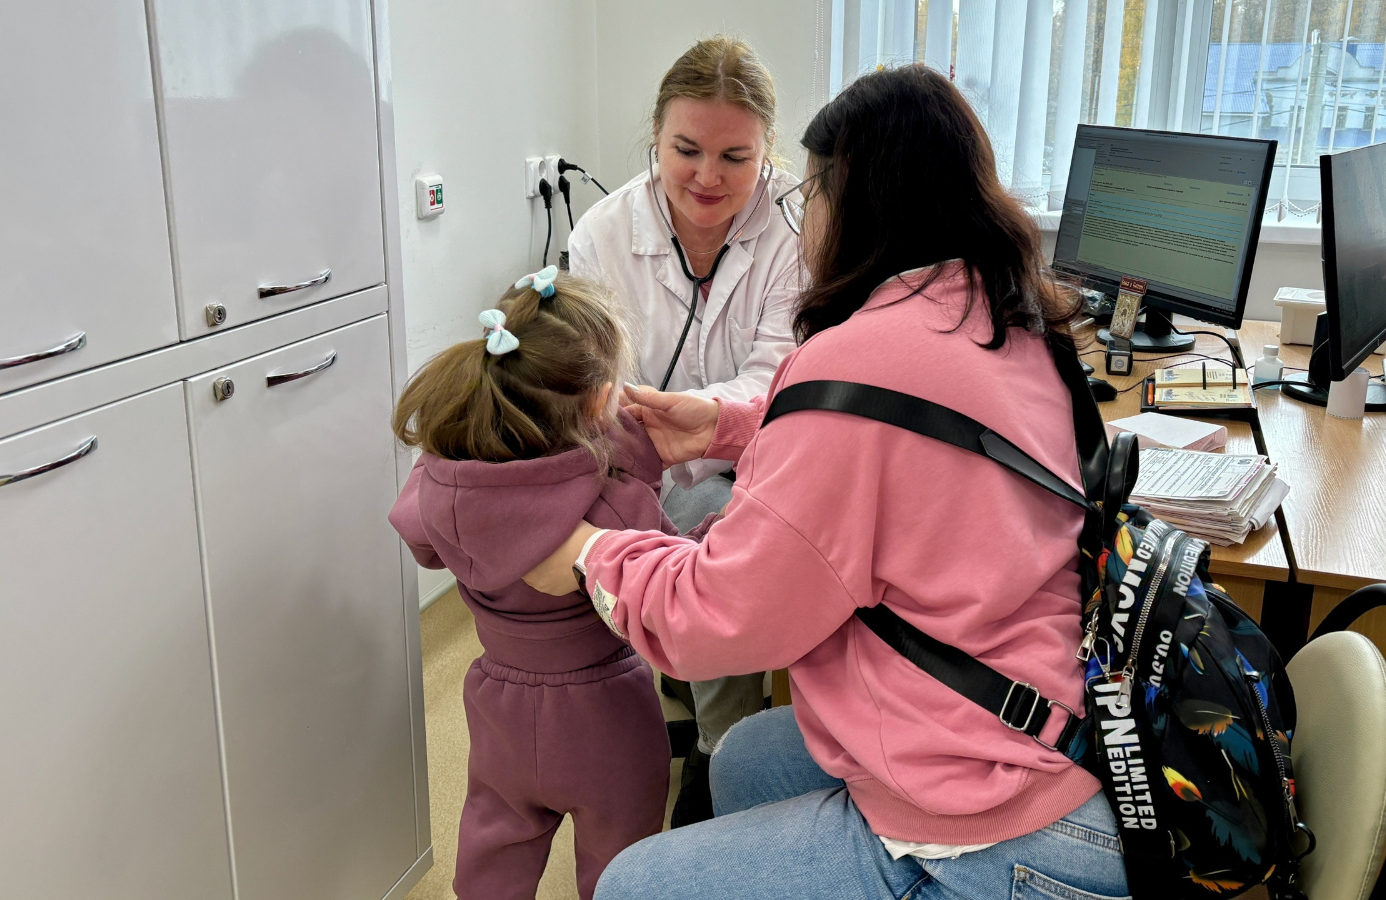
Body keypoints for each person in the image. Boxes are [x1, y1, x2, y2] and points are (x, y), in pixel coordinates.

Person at [524, 66, 1130, 899]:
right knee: (746, 759)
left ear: (852, 203)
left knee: (633, 886)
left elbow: (718, 619)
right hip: (1070, 729)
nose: (799, 216)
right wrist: (726, 424)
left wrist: (593, 553)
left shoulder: (850, 361)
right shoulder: (1009, 316)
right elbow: (904, 433)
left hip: (1004, 821)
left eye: (806, 194)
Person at [567, 35, 802, 824]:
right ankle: (679, 730)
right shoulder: (602, 236)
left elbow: (780, 374)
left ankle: (718, 745)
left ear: (767, 149)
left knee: (720, 531)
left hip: (758, 454)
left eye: (736, 157)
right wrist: (648, 429)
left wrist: (705, 421)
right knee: (683, 530)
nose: (708, 177)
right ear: (655, 137)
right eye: (686, 150)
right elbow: (589, 380)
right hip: (636, 459)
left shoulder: (795, 229)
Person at [386, 267, 673, 900]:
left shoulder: (443, 486)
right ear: (601, 400)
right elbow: (678, 584)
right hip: (608, 707)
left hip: (499, 703)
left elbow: (419, 539)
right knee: (621, 861)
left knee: (494, 844)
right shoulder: (618, 502)